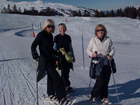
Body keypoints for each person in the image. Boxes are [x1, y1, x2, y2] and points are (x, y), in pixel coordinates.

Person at [31, 19, 72, 104]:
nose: (50, 28)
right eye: (49, 26)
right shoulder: (41, 35)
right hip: (45, 60)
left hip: (51, 59)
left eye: (52, 26)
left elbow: (50, 49)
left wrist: (56, 55)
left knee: (51, 78)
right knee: (57, 78)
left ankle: (51, 94)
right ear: (45, 26)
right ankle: (62, 99)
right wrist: (35, 54)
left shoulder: (50, 36)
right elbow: (33, 45)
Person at [86, 24, 115, 103]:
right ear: (96, 32)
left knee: (106, 80)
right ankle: (94, 95)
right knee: (100, 80)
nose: (100, 32)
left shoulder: (108, 39)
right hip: (97, 62)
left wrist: (110, 55)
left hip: (106, 61)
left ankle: (104, 96)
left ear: (104, 31)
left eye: (102, 30)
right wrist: (92, 54)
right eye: (98, 30)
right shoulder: (93, 40)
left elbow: (112, 49)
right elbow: (88, 50)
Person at [53, 23, 75, 92]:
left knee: (67, 71)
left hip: (67, 56)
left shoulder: (68, 37)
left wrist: (73, 56)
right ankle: (62, 87)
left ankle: (67, 86)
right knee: (63, 72)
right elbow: (54, 48)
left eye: (63, 28)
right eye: (61, 28)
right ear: (59, 29)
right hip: (60, 57)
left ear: (65, 29)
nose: (62, 29)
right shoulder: (56, 37)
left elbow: (70, 47)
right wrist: (55, 58)